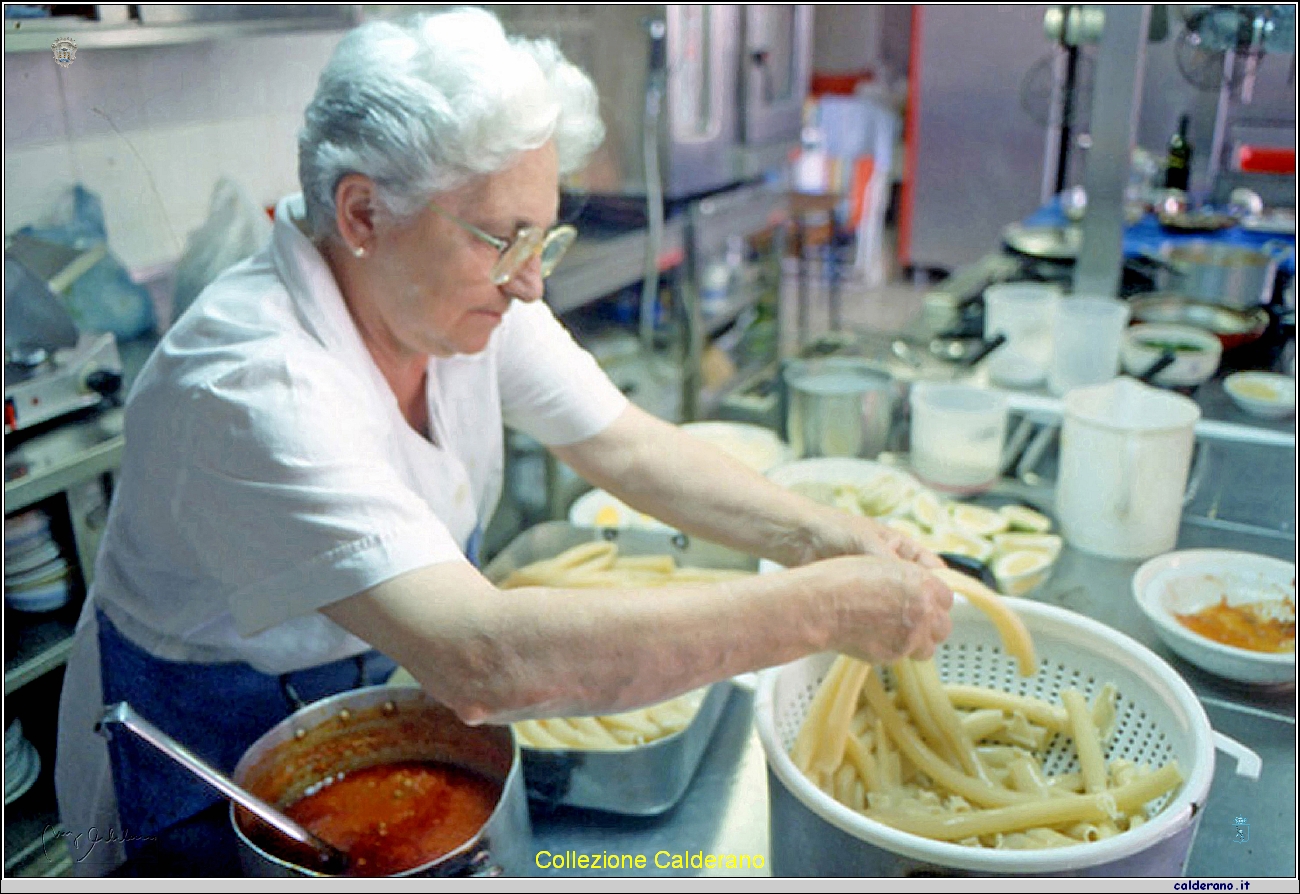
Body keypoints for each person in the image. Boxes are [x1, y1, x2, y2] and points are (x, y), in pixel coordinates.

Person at [56, 7, 953, 875]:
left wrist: (826, 538)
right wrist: (828, 609)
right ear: (363, 215)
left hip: (385, 687)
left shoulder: (449, 297)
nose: (530, 283)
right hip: (212, 746)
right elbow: (484, 657)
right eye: (504, 240)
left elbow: (630, 447)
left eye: (544, 238)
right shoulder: (253, 387)